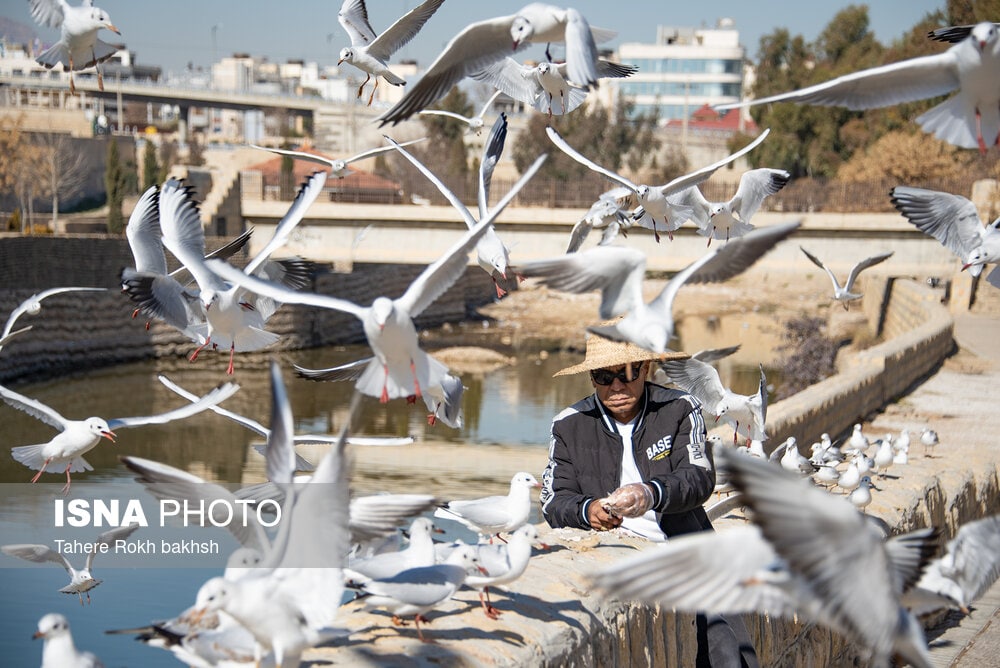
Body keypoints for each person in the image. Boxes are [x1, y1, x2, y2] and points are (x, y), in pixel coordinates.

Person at [540, 333, 759, 668]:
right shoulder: (568, 424)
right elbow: (554, 501)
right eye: (603, 377)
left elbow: (699, 477)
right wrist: (590, 511)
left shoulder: (680, 408)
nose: (616, 387)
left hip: (687, 548)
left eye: (627, 374)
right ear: (591, 378)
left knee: (728, 654)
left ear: (644, 369)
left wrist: (649, 493)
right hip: (617, 555)